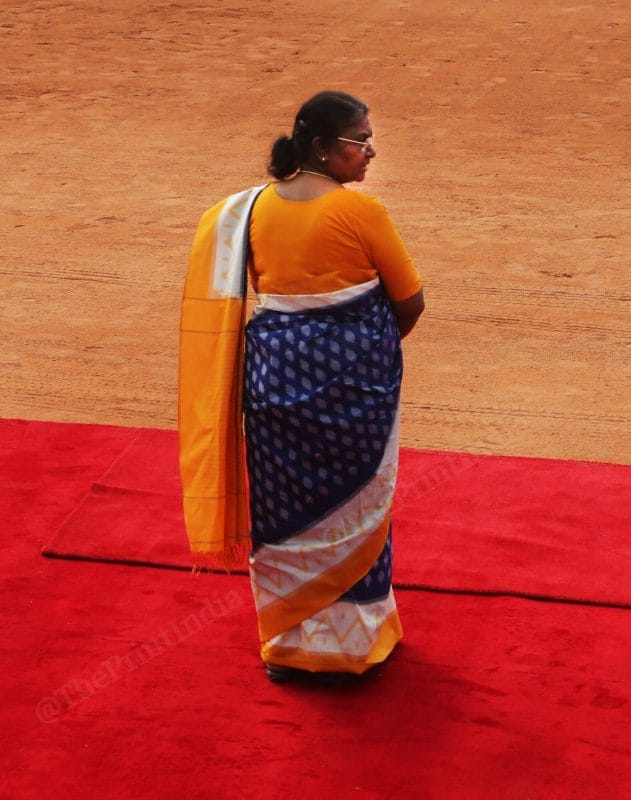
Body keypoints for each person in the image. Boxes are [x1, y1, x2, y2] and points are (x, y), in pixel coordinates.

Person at [179, 90, 425, 683]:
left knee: (282, 508)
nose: (369, 152)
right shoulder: (362, 213)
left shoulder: (248, 211)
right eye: (358, 141)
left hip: (272, 379)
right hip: (356, 385)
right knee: (357, 504)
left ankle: (288, 647)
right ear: (320, 147)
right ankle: (355, 645)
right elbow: (410, 303)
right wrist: (362, 354)